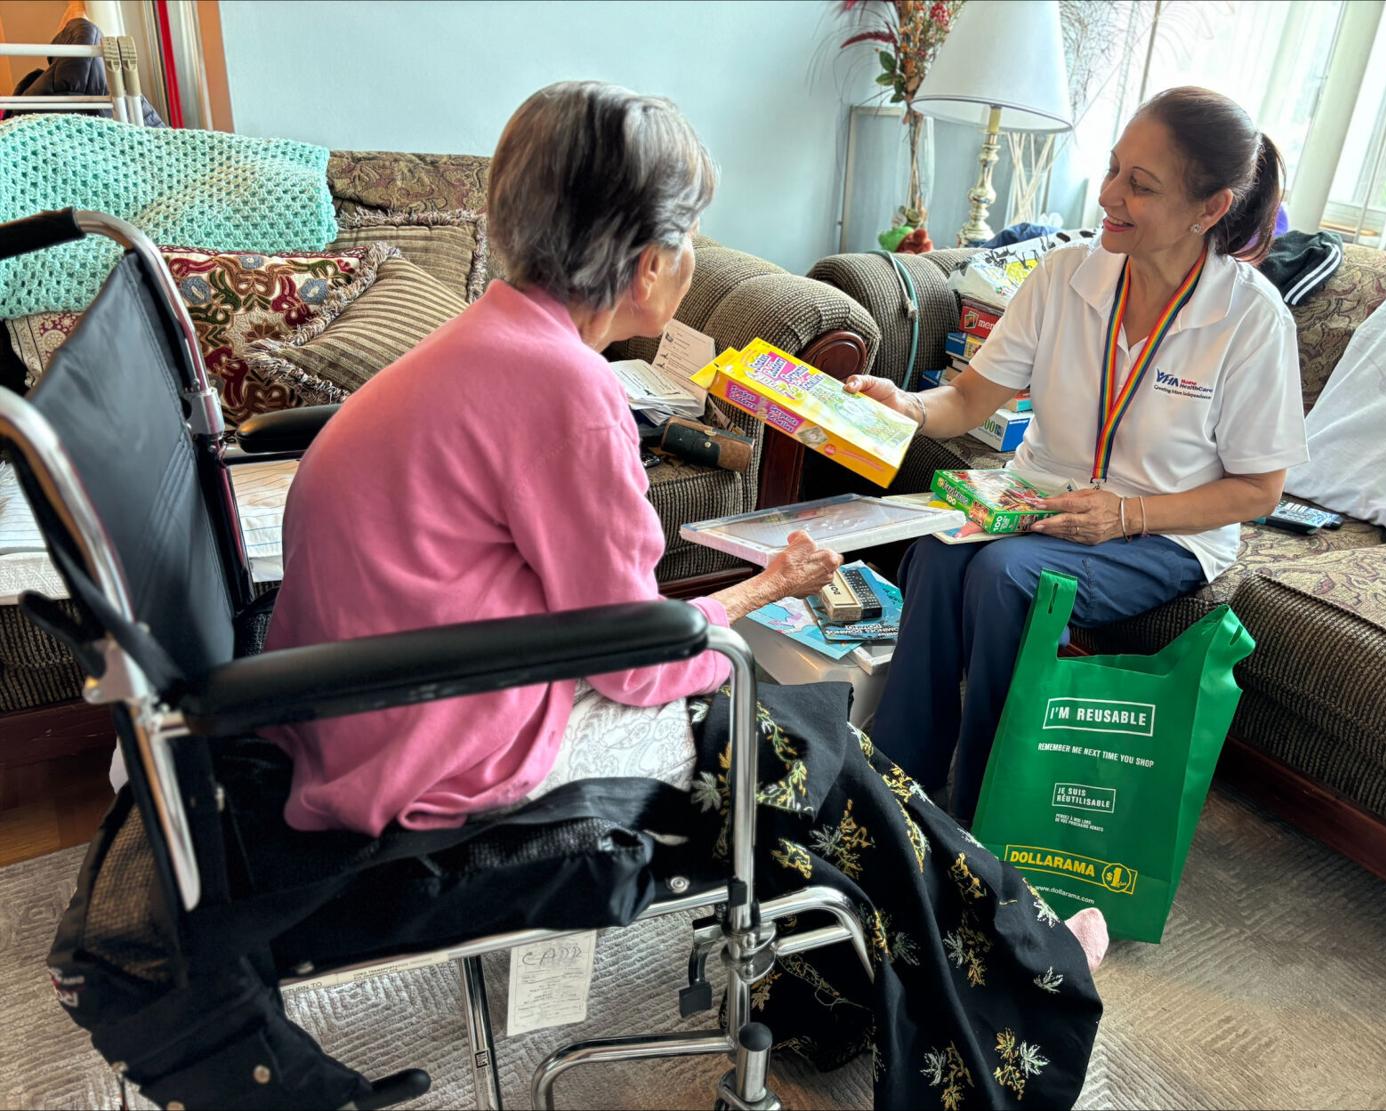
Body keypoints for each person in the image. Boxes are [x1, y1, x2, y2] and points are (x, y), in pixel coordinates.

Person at [265, 81, 1103, 1108]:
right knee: (811, 742)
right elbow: (635, 661)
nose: (696, 253)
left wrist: (753, 595)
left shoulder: (484, 345)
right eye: (691, 228)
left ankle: (855, 990)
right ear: (649, 257)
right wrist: (742, 631)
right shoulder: (567, 393)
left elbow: (593, 622)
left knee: (795, 733)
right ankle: (1027, 973)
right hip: (438, 757)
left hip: (373, 713)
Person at [851, 87, 1309, 818]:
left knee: (1008, 576)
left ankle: (983, 813)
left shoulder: (1251, 321)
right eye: (1114, 168)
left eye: (1141, 184)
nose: (1108, 195)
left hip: (1164, 528)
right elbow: (969, 401)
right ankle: (895, 782)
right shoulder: (1065, 276)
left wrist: (1126, 513)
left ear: (1211, 209)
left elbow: (1258, 490)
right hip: (1037, 498)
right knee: (937, 554)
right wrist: (905, 407)